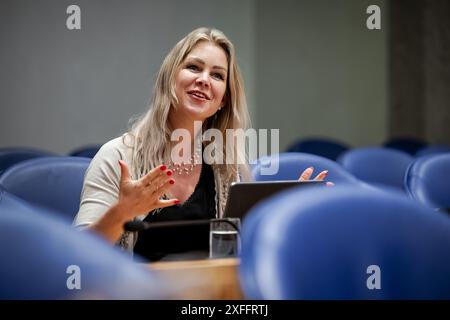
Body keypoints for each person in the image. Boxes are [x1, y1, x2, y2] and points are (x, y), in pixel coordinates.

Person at [73, 27, 327, 261]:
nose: (204, 79)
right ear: (170, 78)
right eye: (194, 67)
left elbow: (242, 256)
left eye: (217, 75)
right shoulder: (117, 157)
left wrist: (287, 213)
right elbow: (79, 256)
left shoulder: (226, 168)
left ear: (223, 100)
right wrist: (122, 213)